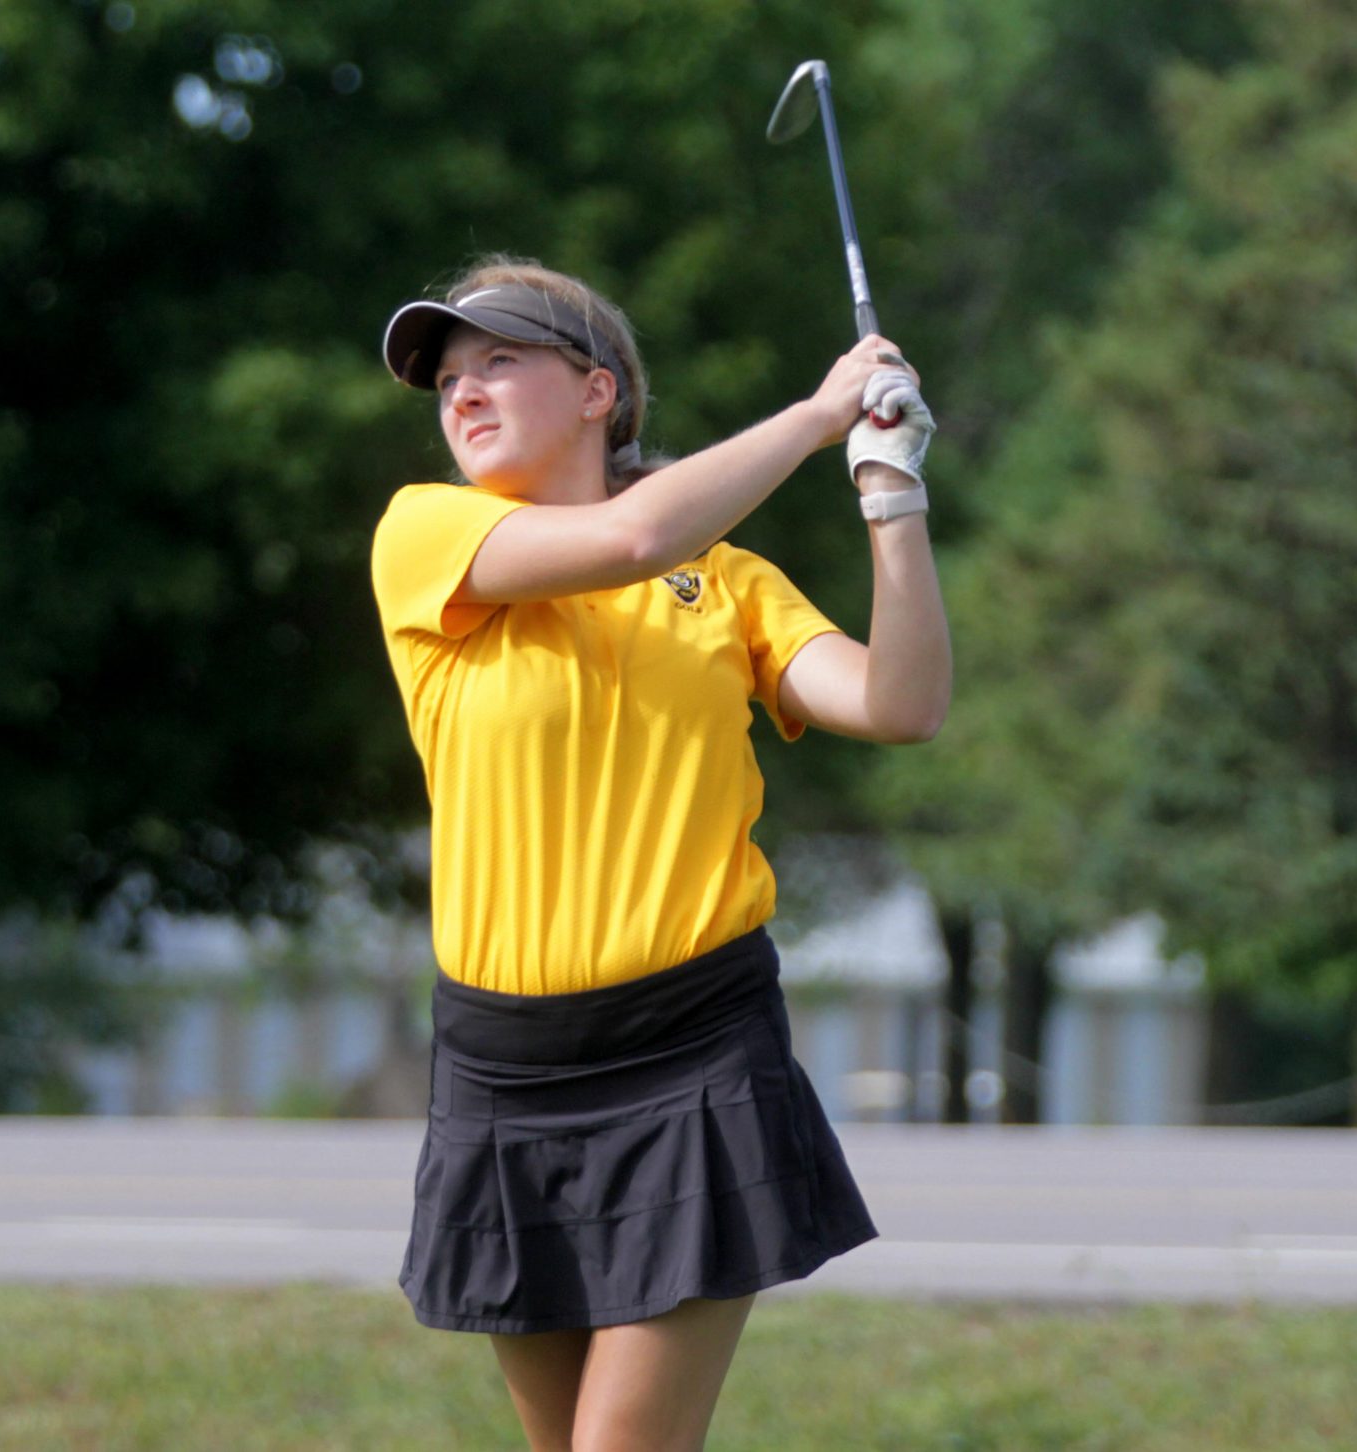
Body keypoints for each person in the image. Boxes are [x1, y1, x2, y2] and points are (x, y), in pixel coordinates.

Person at [370, 256, 949, 1452]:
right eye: (446, 381)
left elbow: (900, 702)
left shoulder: (726, 584)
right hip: (502, 1067)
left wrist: (889, 495)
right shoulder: (425, 536)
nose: (463, 395)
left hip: (690, 1052)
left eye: (499, 363)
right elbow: (633, 532)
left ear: (598, 393)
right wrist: (814, 413)